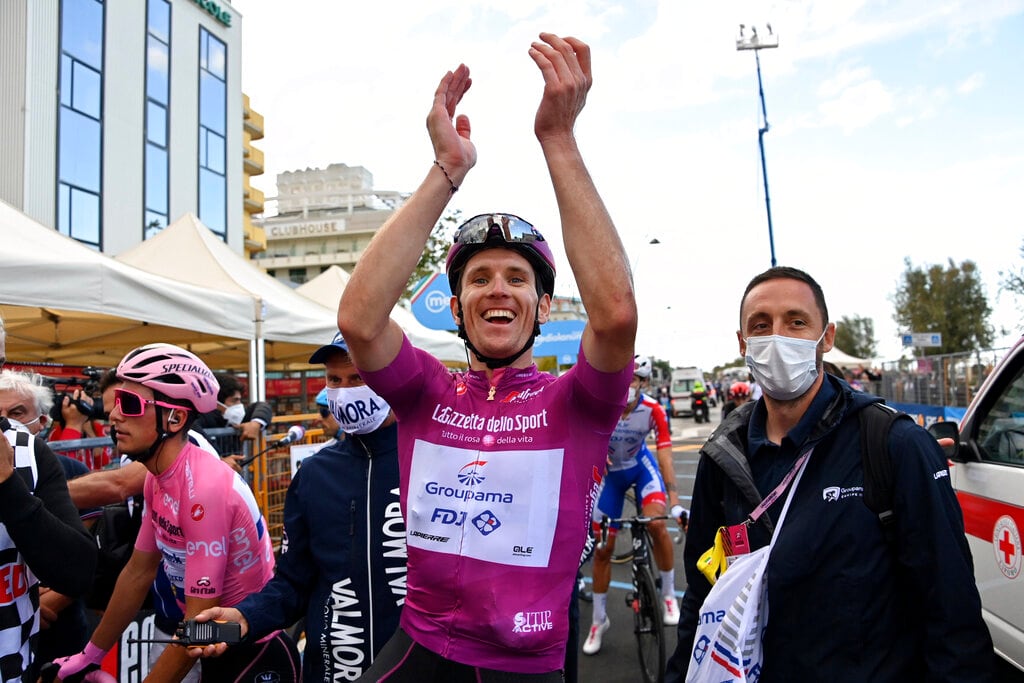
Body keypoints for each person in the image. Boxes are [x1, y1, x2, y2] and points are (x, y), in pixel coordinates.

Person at [336, 33, 637, 681]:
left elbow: (615, 315)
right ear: (457, 303)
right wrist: (446, 172)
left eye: (516, 277)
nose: (497, 288)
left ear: (544, 306)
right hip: (417, 646)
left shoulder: (575, 402)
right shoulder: (427, 391)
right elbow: (359, 321)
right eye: (478, 278)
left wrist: (558, 138)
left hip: (523, 665)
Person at [664, 266, 993, 682]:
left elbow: (951, 612)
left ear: (827, 338)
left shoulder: (895, 445)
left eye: (796, 322)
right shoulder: (723, 454)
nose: (778, 338)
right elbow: (701, 595)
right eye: (761, 326)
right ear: (743, 344)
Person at [55, 344, 299, 683]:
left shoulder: (203, 489)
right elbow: (137, 573)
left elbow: (200, 626)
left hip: (249, 652)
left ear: (175, 418)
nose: (113, 416)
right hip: (211, 644)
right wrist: (89, 656)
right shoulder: (159, 479)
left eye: (129, 404)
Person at [190, 332, 406, 681]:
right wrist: (245, 617)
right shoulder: (314, 474)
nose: (345, 390)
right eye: (334, 379)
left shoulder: (432, 458)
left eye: (358, 378)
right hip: (332, 671)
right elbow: (293, 581)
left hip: (413, 668)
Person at [582, 355, 684, 656]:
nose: (627, 385)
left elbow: (664, 454)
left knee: (656, 524)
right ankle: (599, 620)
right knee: (602, 549)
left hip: (641, 467)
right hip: (610, 476)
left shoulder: (653, 409)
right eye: (622, 378)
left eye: (634, 379)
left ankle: (667, 594)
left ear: (644, 383)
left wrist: (675, 502)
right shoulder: (602, 405)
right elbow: (585, 441)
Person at [0, 369, 97, 666]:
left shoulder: (57, 465)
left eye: (16, 413)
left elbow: (79, 562)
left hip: (47, 634)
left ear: (42, 423)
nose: (6, 422)